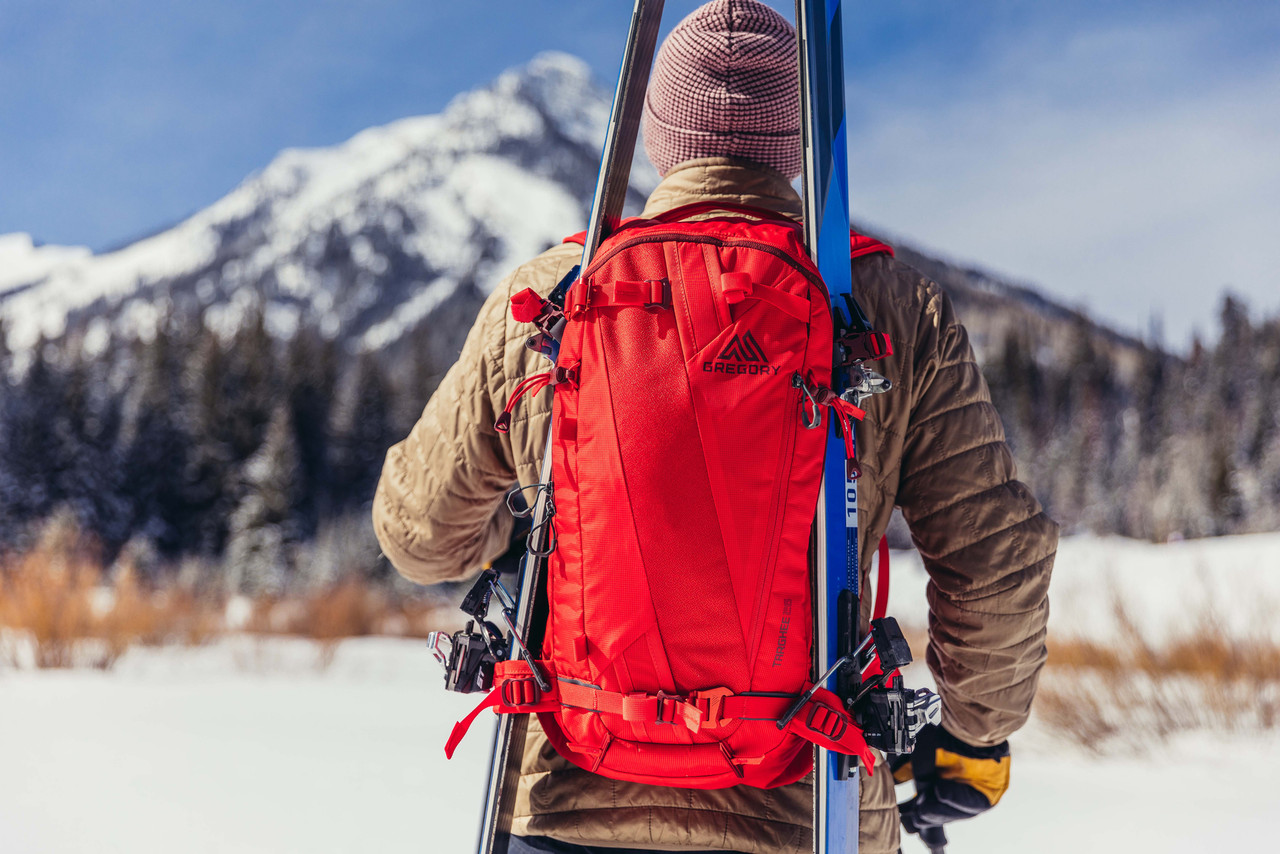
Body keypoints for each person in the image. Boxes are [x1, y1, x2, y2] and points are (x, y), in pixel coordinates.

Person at [373, 1, 1056, 852]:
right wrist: (974, 733)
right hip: (809, 804)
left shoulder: (549, 295)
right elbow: (995, 555)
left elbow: (419, 535)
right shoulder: (885, 306)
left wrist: (531, 534)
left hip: (561, 799)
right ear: (797, 143)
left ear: (661, 132)